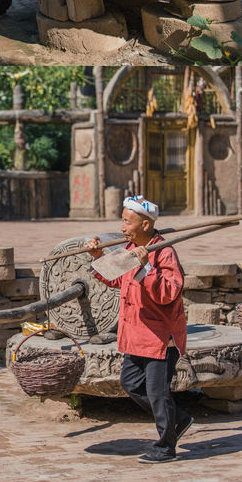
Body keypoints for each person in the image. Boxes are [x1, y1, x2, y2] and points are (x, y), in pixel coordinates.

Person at [85, 195, 192, 464]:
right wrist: (99, 257)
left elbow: (169, 292)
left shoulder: (164, 252)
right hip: (135, 333)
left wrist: (146, 267)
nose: (122, 227)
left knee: (158, 392)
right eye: (122, 220)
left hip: (159, 337)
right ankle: (177, 419)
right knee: (131, 383)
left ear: (145, 224)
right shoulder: (131, 248)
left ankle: (166, 446)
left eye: (126, 221)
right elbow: (116, 278)